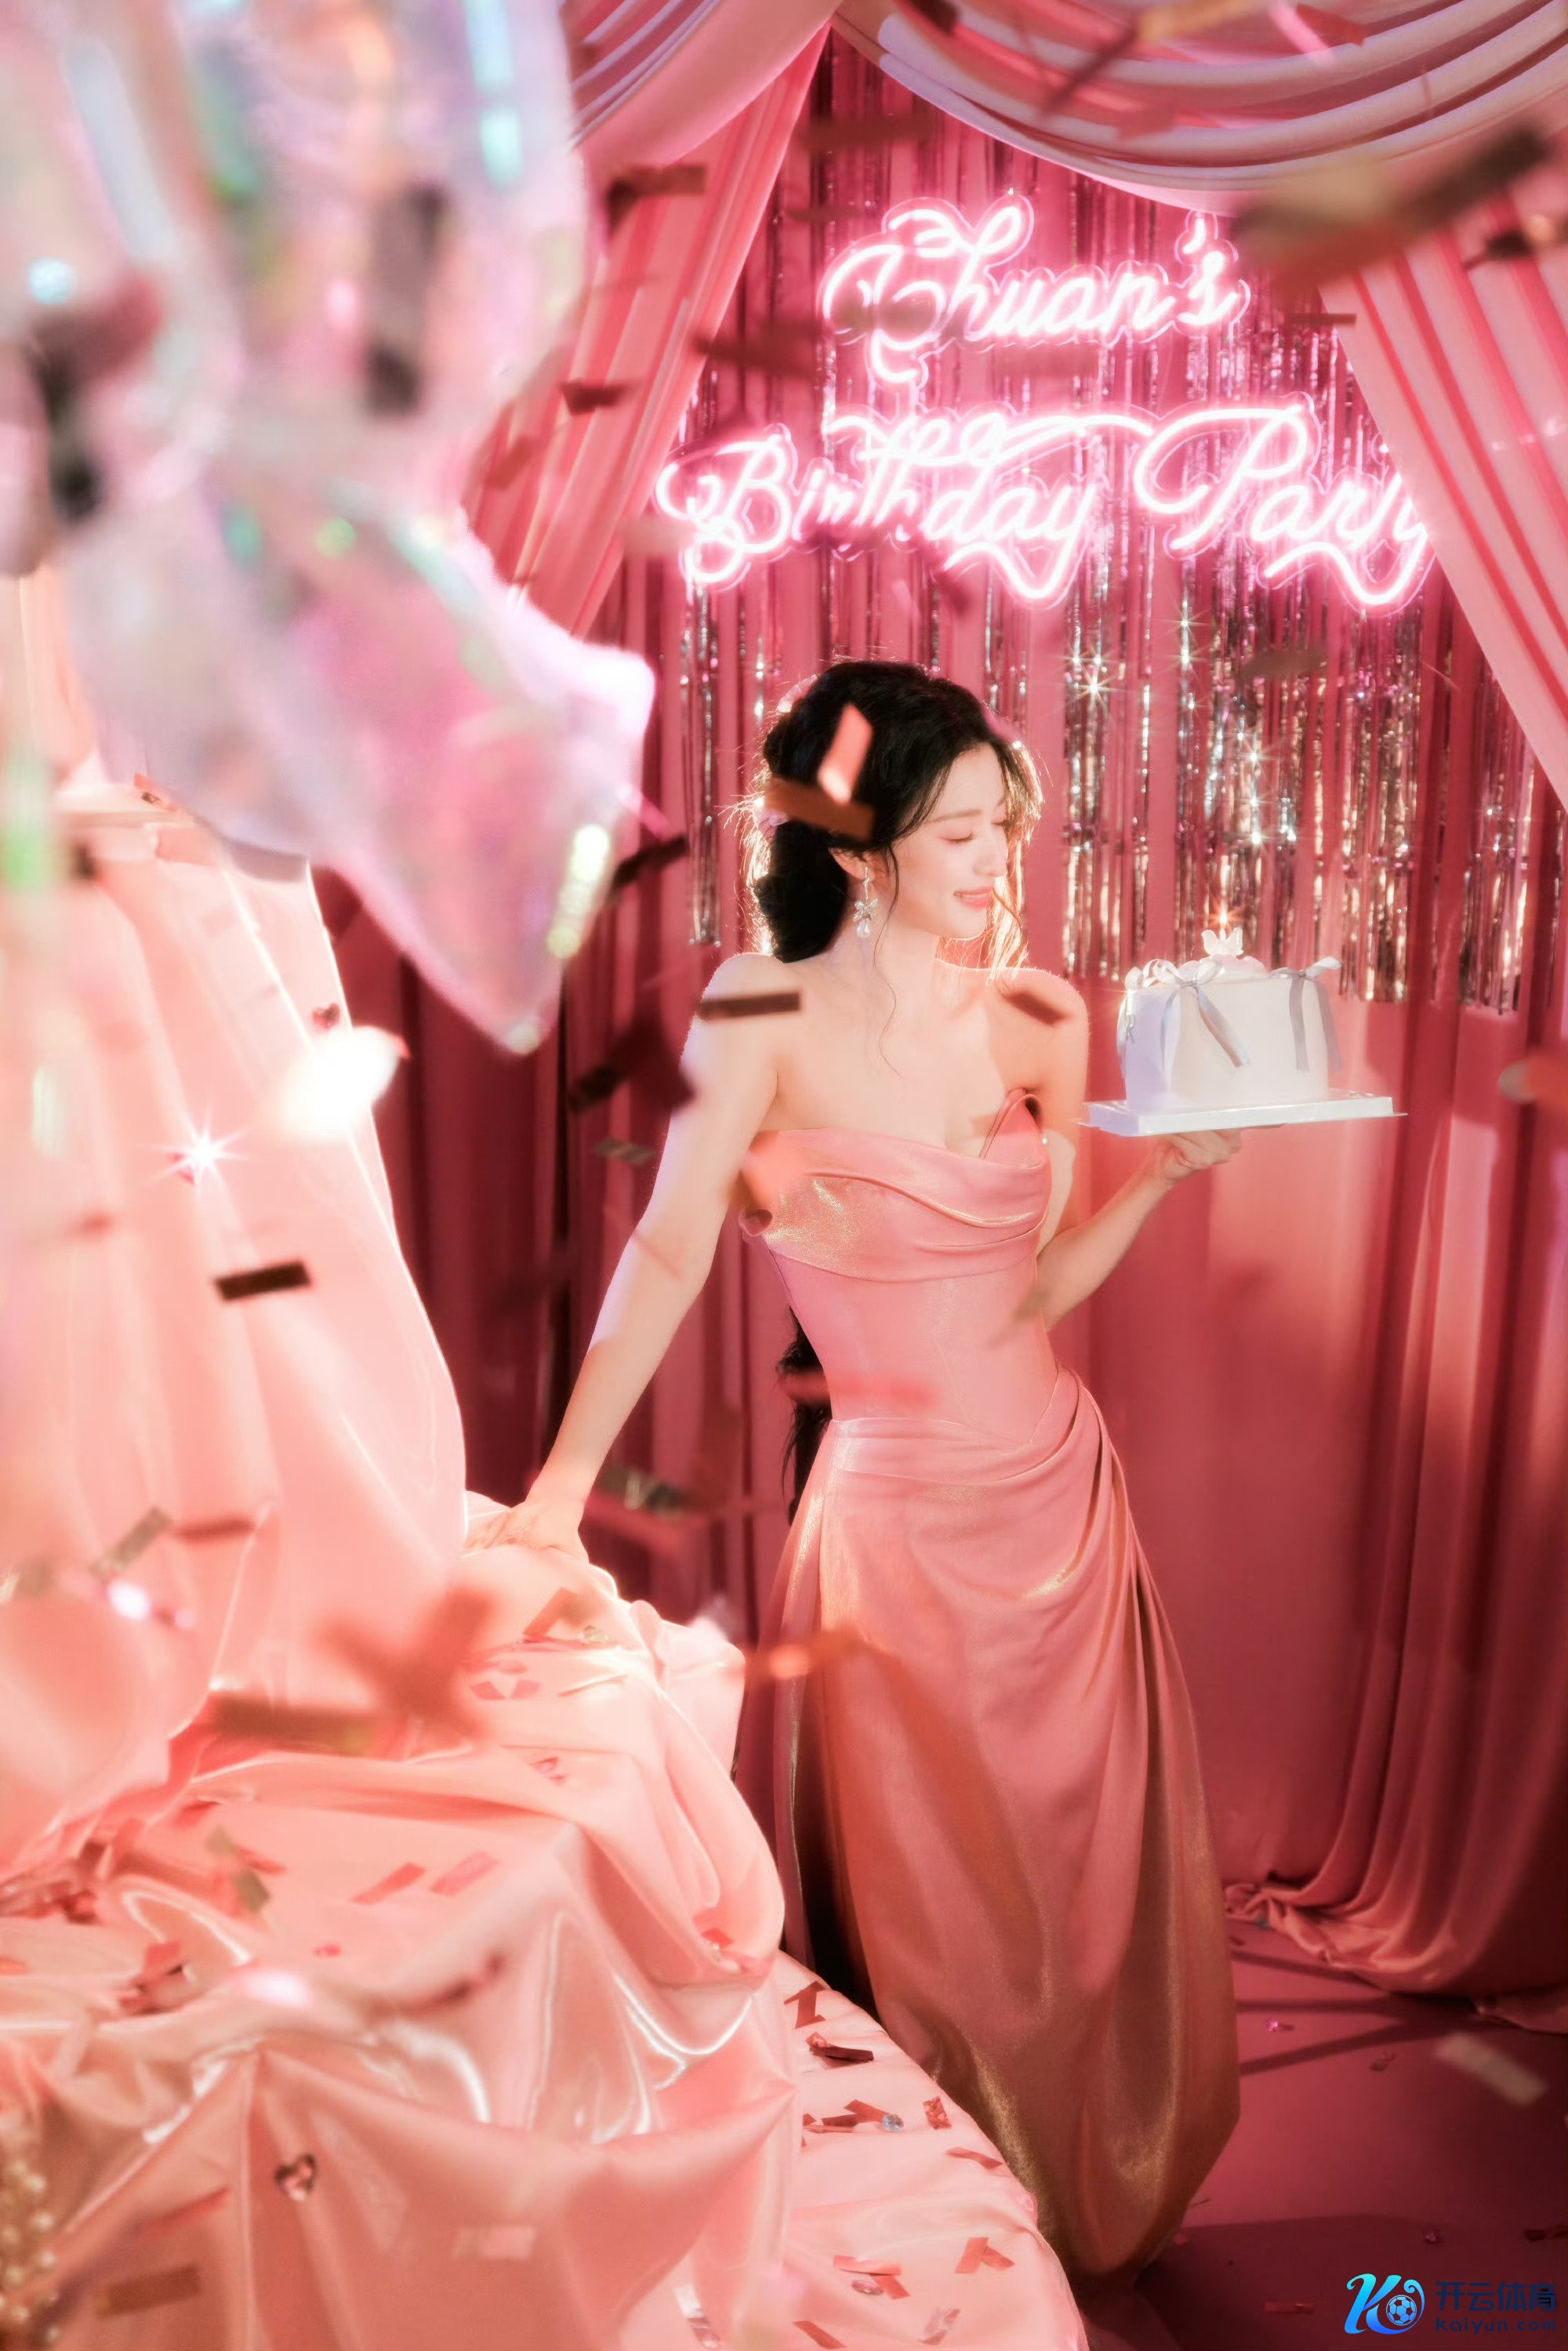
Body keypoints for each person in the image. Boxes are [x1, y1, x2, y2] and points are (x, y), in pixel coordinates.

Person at [468, 658, 1241, 2284]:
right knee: (936, 1916)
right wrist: (557, 1489)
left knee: (1075, 1889)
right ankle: (946, 2229)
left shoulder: (1039, 1017)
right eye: (961, 833)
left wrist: (1162, 1175)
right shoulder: (760, 1010)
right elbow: (667, 1253)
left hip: (1062, 1505)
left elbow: (1028, 1290)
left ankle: (1079, 2195)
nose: (997, 862)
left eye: (1003, 827)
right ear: (864, 846)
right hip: (895, 1532)